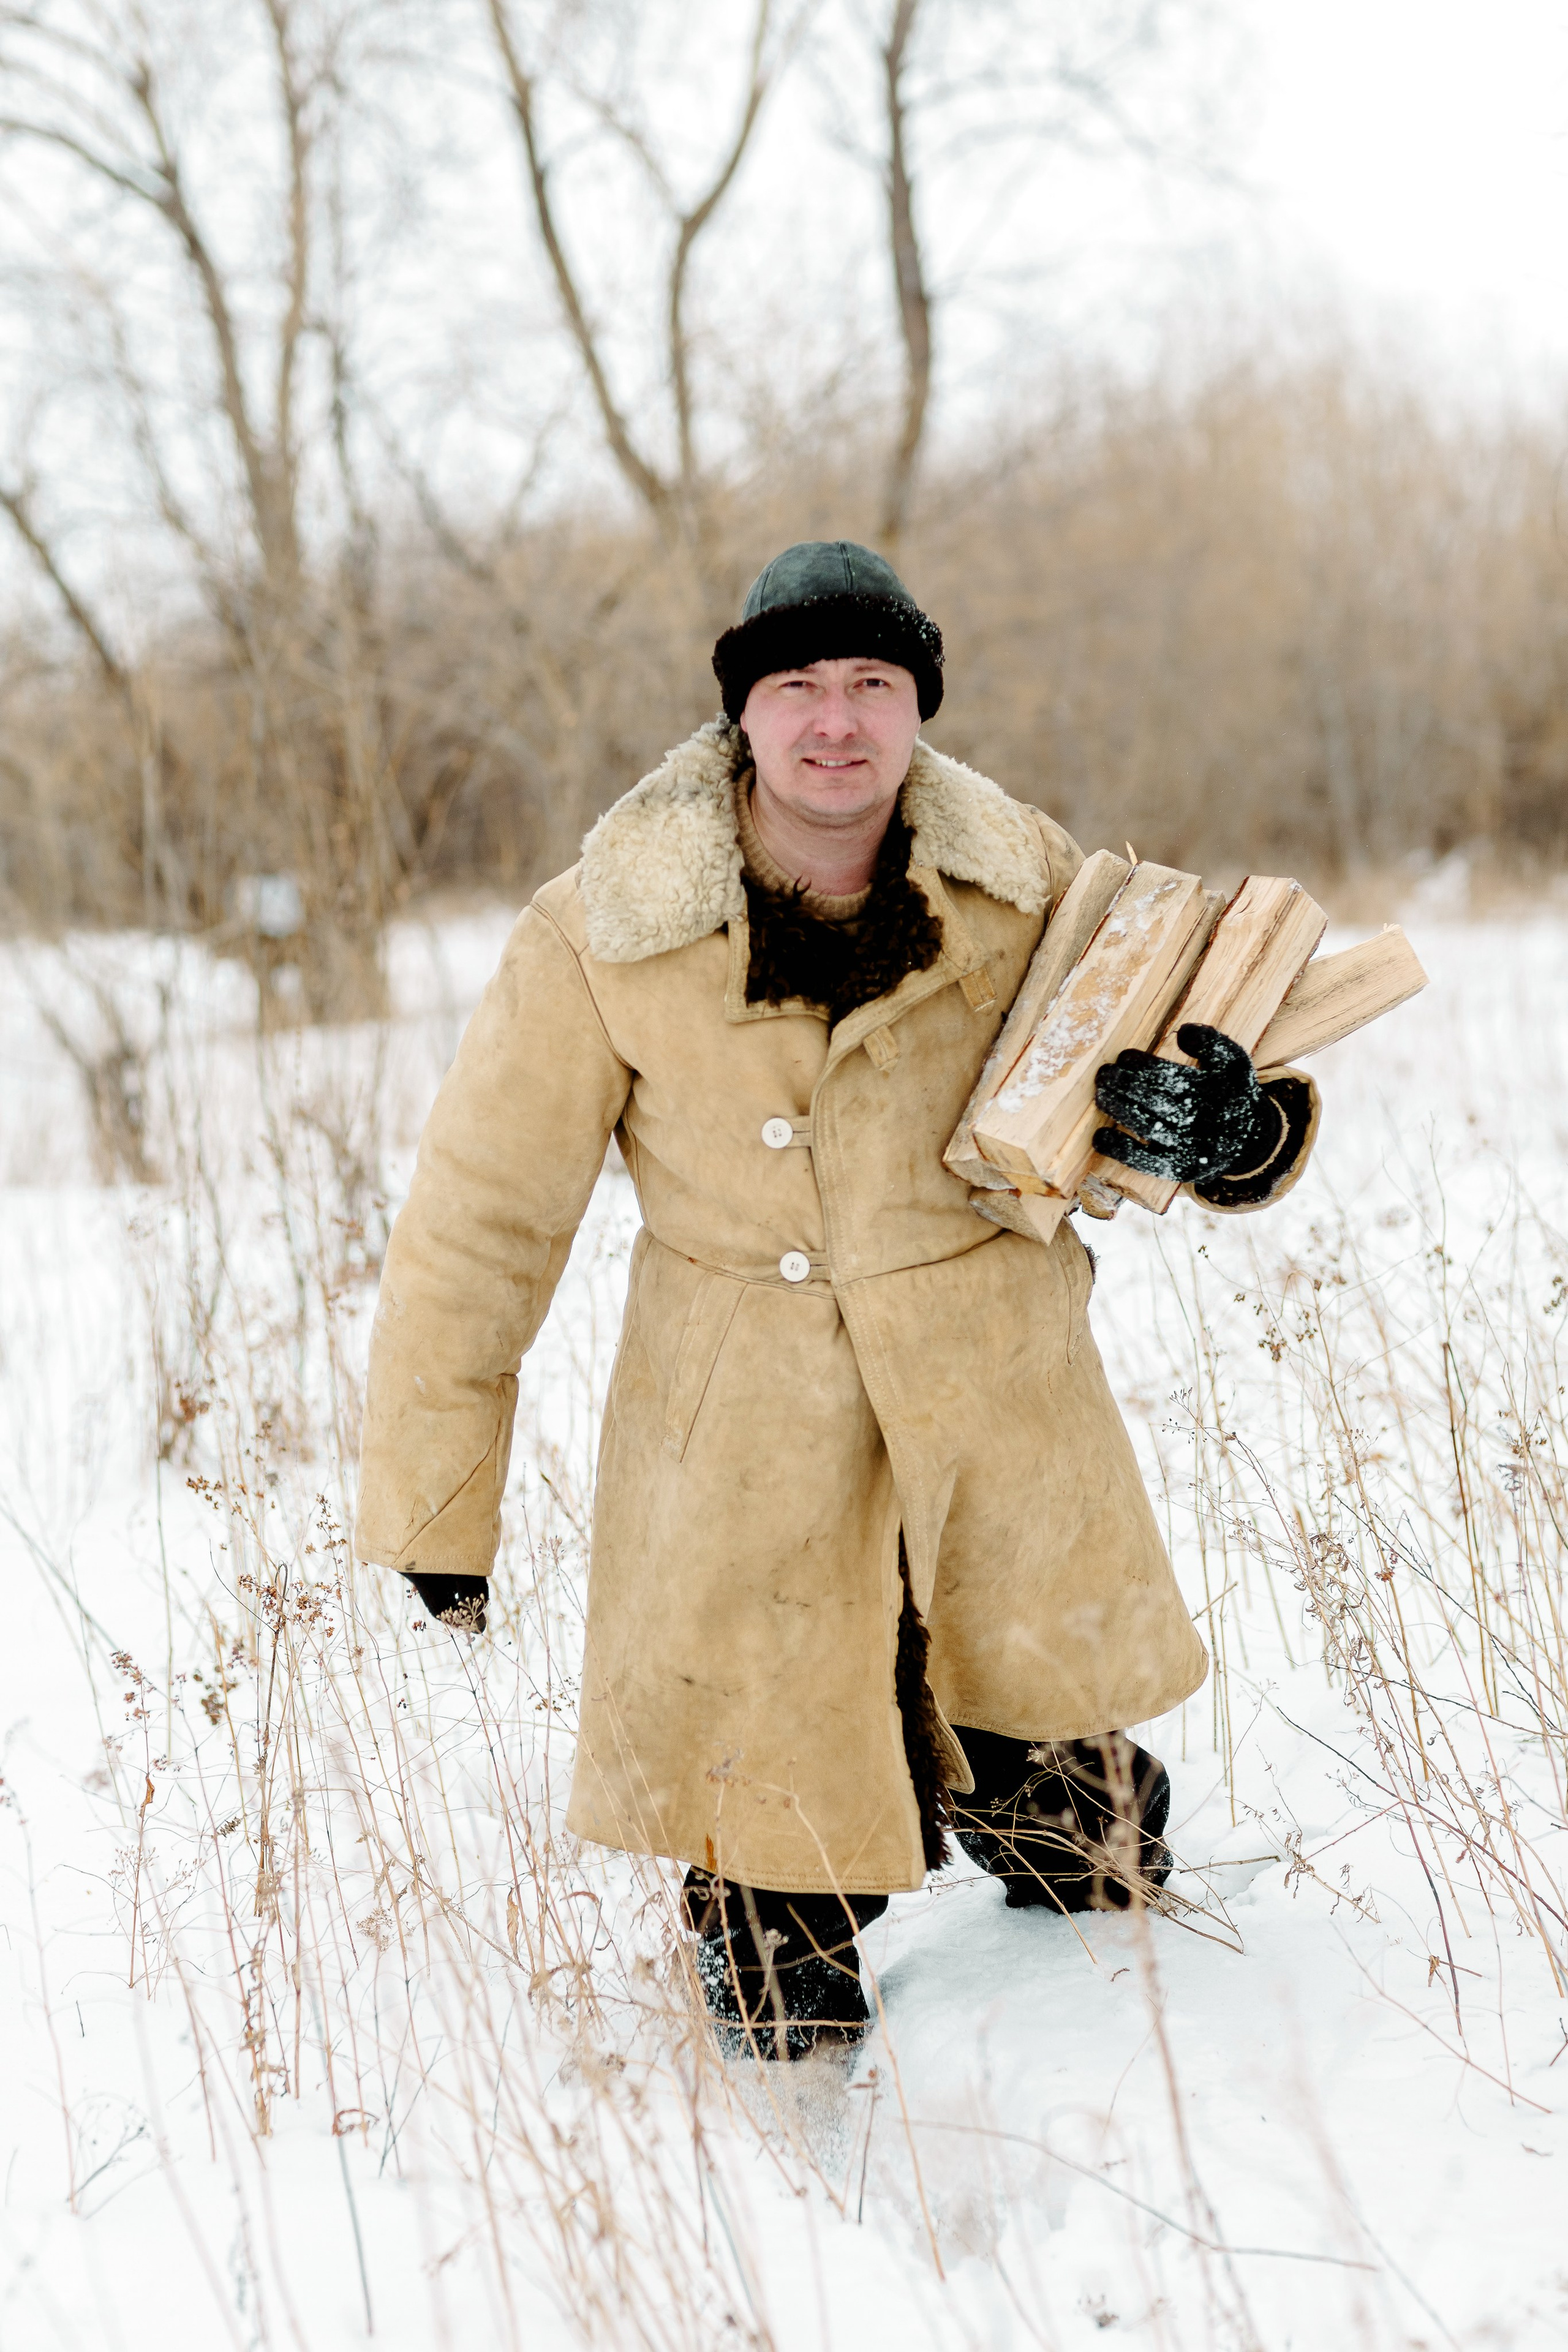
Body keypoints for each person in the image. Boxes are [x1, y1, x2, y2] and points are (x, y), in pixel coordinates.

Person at [356, 541, 1318, 2059]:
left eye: (871, 684)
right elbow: (479, 1225)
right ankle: (800, 2188)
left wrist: (1229, 1129)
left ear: (915, 704)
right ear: (738, 713)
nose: (834, 722)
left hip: (993, 1413)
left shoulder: (1032, 885)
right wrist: (433, 1504)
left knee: (1098, 1857)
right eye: (794, 686)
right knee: (777, 1960)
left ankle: (1045, 1850)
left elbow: (1193, 1071)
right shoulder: (603, 925)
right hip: (745, 1439)